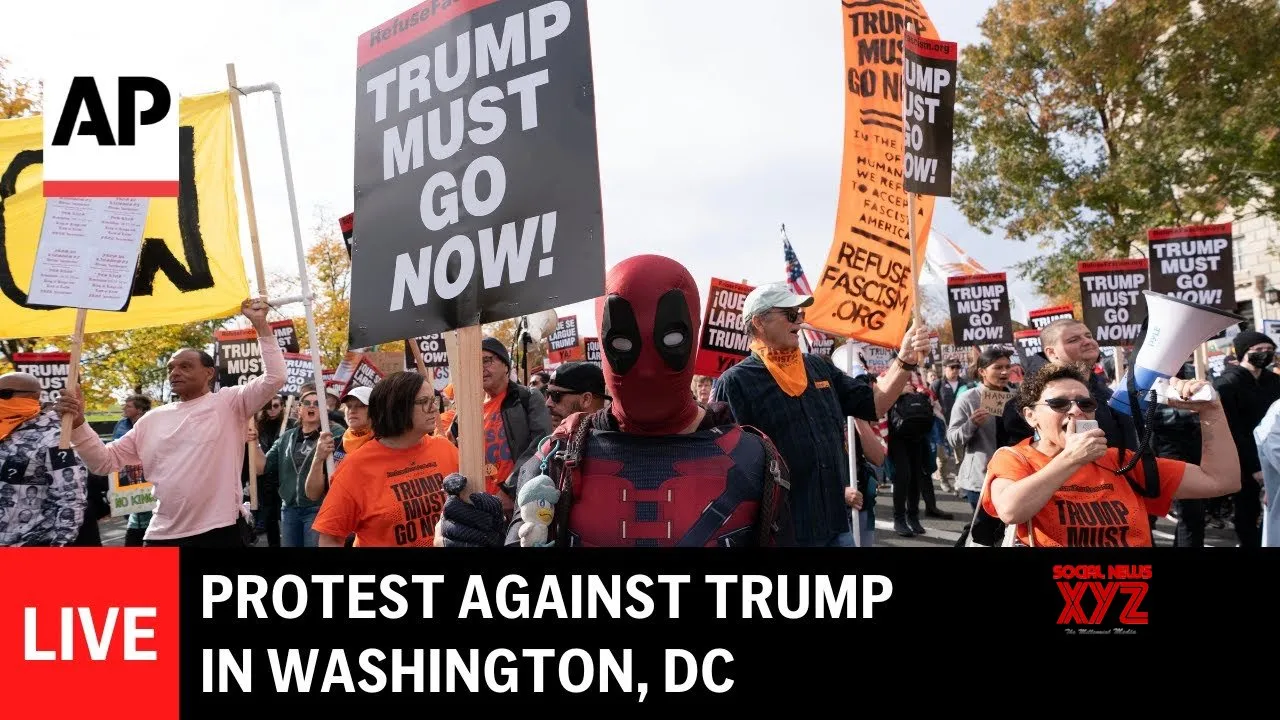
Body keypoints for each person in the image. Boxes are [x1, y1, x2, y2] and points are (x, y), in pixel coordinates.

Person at [434, 254, 794, 548]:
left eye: (670, 338)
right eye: (623, 343)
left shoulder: (755, 461)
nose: (648, 369)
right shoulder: (556, 461)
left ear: (692, 333)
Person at [711, 281, 930, 546]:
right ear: (759, 322)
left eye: (801, 314)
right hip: (784, 535)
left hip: (836, 523)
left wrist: (905, 359)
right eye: (791, 315)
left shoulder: (817, 366)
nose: (800, 321)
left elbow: (875, 404)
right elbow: (723, 466)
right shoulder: (734, 382)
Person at [59, 298, 284, 547]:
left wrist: (261, 326)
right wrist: (78, 424)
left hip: (220, 531)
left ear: (209, 373)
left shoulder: (230, 403)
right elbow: (103, 462)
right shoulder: (151, 420)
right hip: (162, 535)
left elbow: (275, 377)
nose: (175, 372)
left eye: (186, 366)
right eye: (171, 368)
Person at [982, 362, 1240, 547]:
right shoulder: (1015, 458)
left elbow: (1220, 481)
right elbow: (1011, 510)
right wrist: (1071, 458)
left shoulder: (1121, 461)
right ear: (1031, 416)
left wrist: (1211, 411)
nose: (1076, 411)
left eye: (1085, 403)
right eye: (1059, 404)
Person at [312, 372, 458, 547]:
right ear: (397, 408)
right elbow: (331, 538)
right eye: (423, 402)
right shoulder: (356, 467)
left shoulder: (446, 449)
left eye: (433, 400)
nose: (434, 408)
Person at [449, 337, 552, 514]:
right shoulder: (467, 410)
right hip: (480, 507)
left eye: (487, 360)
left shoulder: (527, 398)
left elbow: (541, 444)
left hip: (519, 503)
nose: (481, 368)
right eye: (474, 363)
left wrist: (510, 491)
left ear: (506, 366)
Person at [0, 372, 88, 546]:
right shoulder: (3, 432)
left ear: (32, 396)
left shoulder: (54, 439)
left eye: (4, 394)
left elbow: (71, 500)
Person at [251, 386, 343, 547]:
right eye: (306, 403)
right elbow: (261, 467)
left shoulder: (335, 433)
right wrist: (254, 441)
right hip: (289, 509)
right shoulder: (287, 437)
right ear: (299, 409)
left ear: (324, 409)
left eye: (317, 403)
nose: (311, 406)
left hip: (318, 509)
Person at [1213, 329, 1280, 547]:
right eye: (1259, 350)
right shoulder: (1228, 384)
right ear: (1243, 352)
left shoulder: (1274, 381)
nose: (1266, 354)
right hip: (1242, 458)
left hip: (1272, 454)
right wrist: (1253, 466)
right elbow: (1233, 429)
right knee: (1247, 510)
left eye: (1270, 349)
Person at [543, 362, 610, 426]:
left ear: (586, 399)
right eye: (547, 394)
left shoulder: (612, 437)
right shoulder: (554, 437)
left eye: (555, 395)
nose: (548, 403)